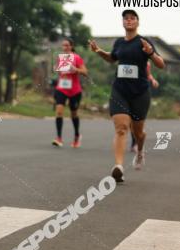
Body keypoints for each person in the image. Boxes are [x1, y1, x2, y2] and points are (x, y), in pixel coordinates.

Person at [88, 10, 165, 183]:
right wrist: (98, 51)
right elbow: (112, 59)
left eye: (132, 18)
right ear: (122, 22)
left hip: (139, 93)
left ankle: (139, 151)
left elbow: (161, 64)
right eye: (126, 18)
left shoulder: (144, 42)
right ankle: (119, 167)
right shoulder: (119, 43)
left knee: (138, 132)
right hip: (120, 90)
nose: (129, 20)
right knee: (121, 127)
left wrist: (151, 53)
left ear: (138, 22)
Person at [50, 38, 88, 148]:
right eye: (63, 45)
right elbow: (59, 71)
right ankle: (59, 138)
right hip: (61, 88)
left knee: (74, 114)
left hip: (74, 90)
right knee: (59, 112)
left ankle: (76, 136)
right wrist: (56, 68)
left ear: (71, 46)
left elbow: (85, 72)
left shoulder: (77, 58)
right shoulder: (60, 58)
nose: (65, 47)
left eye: (67, 45)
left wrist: (76, 69)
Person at [131, 62, 159, 152]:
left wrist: (153, 80)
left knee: (137, 121)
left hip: (141, 92)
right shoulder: (127, 56)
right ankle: (134, 143)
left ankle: (136, 143)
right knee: (129, 120)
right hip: (128, 90)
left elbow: (148, 74)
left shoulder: (146, 62)